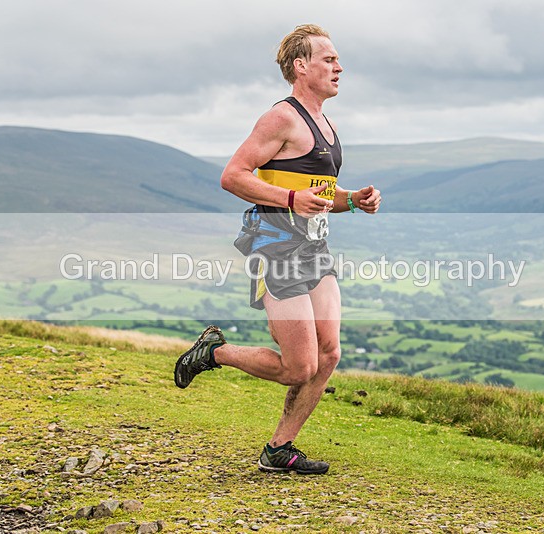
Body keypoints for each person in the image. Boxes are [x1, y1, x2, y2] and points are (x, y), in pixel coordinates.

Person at [174, 24, 381, 475]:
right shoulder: (281, 118)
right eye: (328, 59)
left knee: (329, 355)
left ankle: (279, 448)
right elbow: (233, 175)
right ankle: (214, 352)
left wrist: (353, 200)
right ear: (300, 66)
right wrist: (289, 201)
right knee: (297, 366)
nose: (339, 67)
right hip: (275, 247)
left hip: (314, 247)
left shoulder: (325, 122)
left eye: (338, 59)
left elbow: (317, 193)